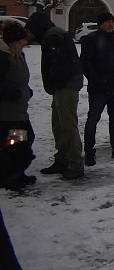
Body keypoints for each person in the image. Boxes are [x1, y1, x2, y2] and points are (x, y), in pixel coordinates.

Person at [25, 12, 85, 180]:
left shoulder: (53, 37)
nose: (29, 34)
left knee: (66, 124)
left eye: (30, 30)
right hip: (64, 85)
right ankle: (63, 159)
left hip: (65, 86)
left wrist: (54, 84)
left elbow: (60, 65)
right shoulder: (55, 34)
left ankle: (74, 163)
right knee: (59, 124)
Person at [81, 12, 114, 164]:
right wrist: (97, 80)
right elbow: (86, 63)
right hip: (98, 89)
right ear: (100, 23)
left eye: (111, 21)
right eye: (107, 22)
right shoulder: (91, 39)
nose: (110, 24)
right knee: (93, 119)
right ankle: (89, 152)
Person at [0, 22, 36, 190]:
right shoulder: (4, 57)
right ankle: (11, 176)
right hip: (9, 113)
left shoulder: (17, 54)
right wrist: (14, 93)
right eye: (22, 39)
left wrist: (26, 90)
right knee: (16, 144)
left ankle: (17, 173)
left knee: (22, 141)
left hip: (19, 110)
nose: (26, 42)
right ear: (15, 41)